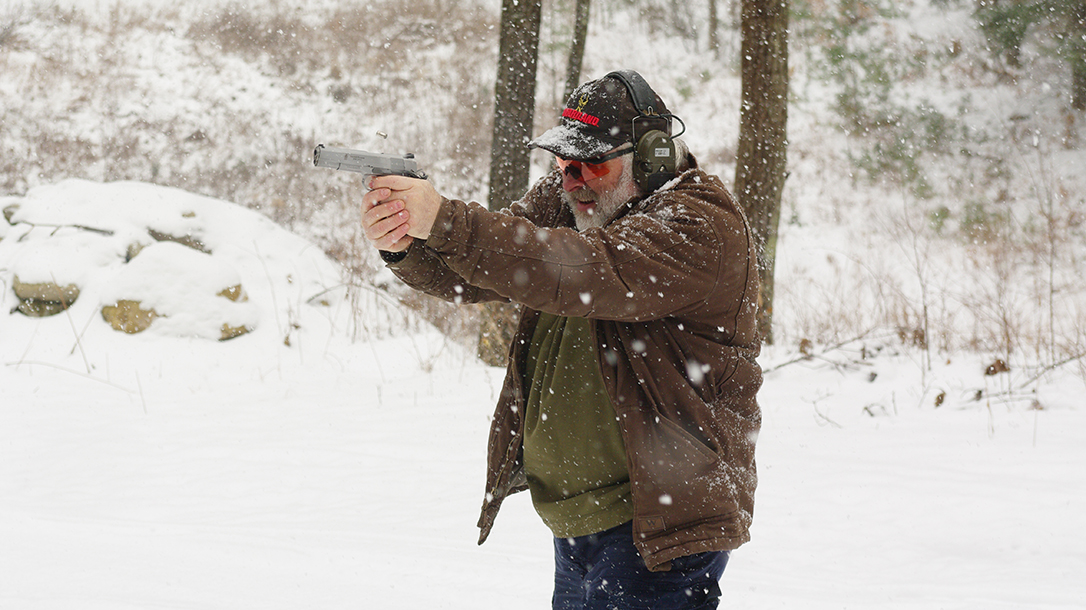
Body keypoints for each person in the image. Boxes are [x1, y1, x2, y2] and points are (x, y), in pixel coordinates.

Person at [361, 70, 762, 610]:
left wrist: (445, 219)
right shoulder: (574, 197)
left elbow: (574, 270)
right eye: (564, 163)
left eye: (592, 164)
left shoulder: (698, 224)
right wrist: (408, 240)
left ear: (653, 157)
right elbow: (483, 271)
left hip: (657, 531)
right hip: (578, 524)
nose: (573, 180)